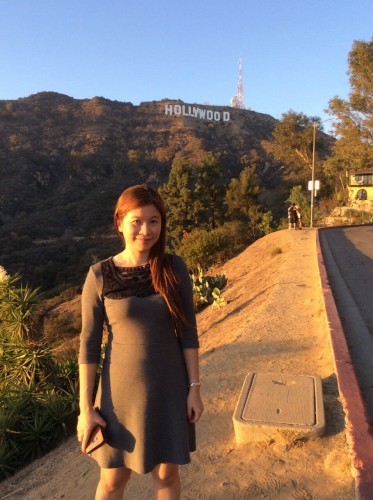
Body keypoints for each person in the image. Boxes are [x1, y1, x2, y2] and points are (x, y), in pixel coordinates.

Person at [77, 184, 204, 500]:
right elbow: (89, 344)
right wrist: (85, 407)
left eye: (154, 221)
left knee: (166, 476)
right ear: (119, 222)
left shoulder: (173, 269)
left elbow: (187, 333)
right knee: (113, 480)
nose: (146, 230)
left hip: (169, 389)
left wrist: (194, 391)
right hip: (119, 397)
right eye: (137, 221)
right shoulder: (100, 275)